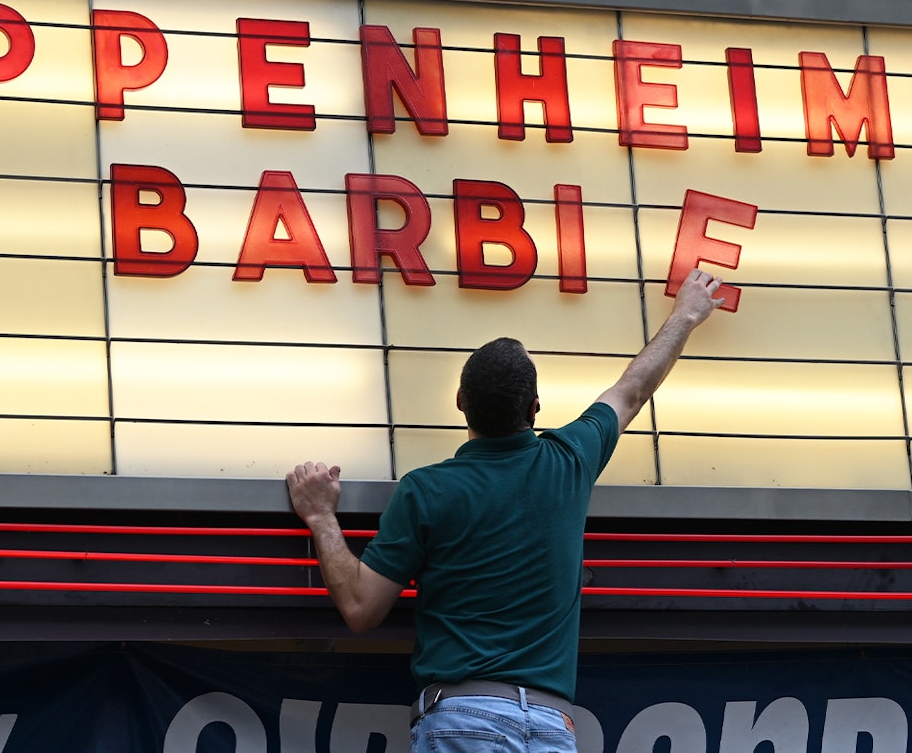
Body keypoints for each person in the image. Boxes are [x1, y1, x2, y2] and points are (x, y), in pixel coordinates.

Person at [285, 268, 725, 752]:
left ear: (459, 402)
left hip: (460, 718)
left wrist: (322, 517)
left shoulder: (426, 490)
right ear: (535, 408)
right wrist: (685, 314)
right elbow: (632, 389)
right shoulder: (569, 460)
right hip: (551, 727)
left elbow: (361, 609)